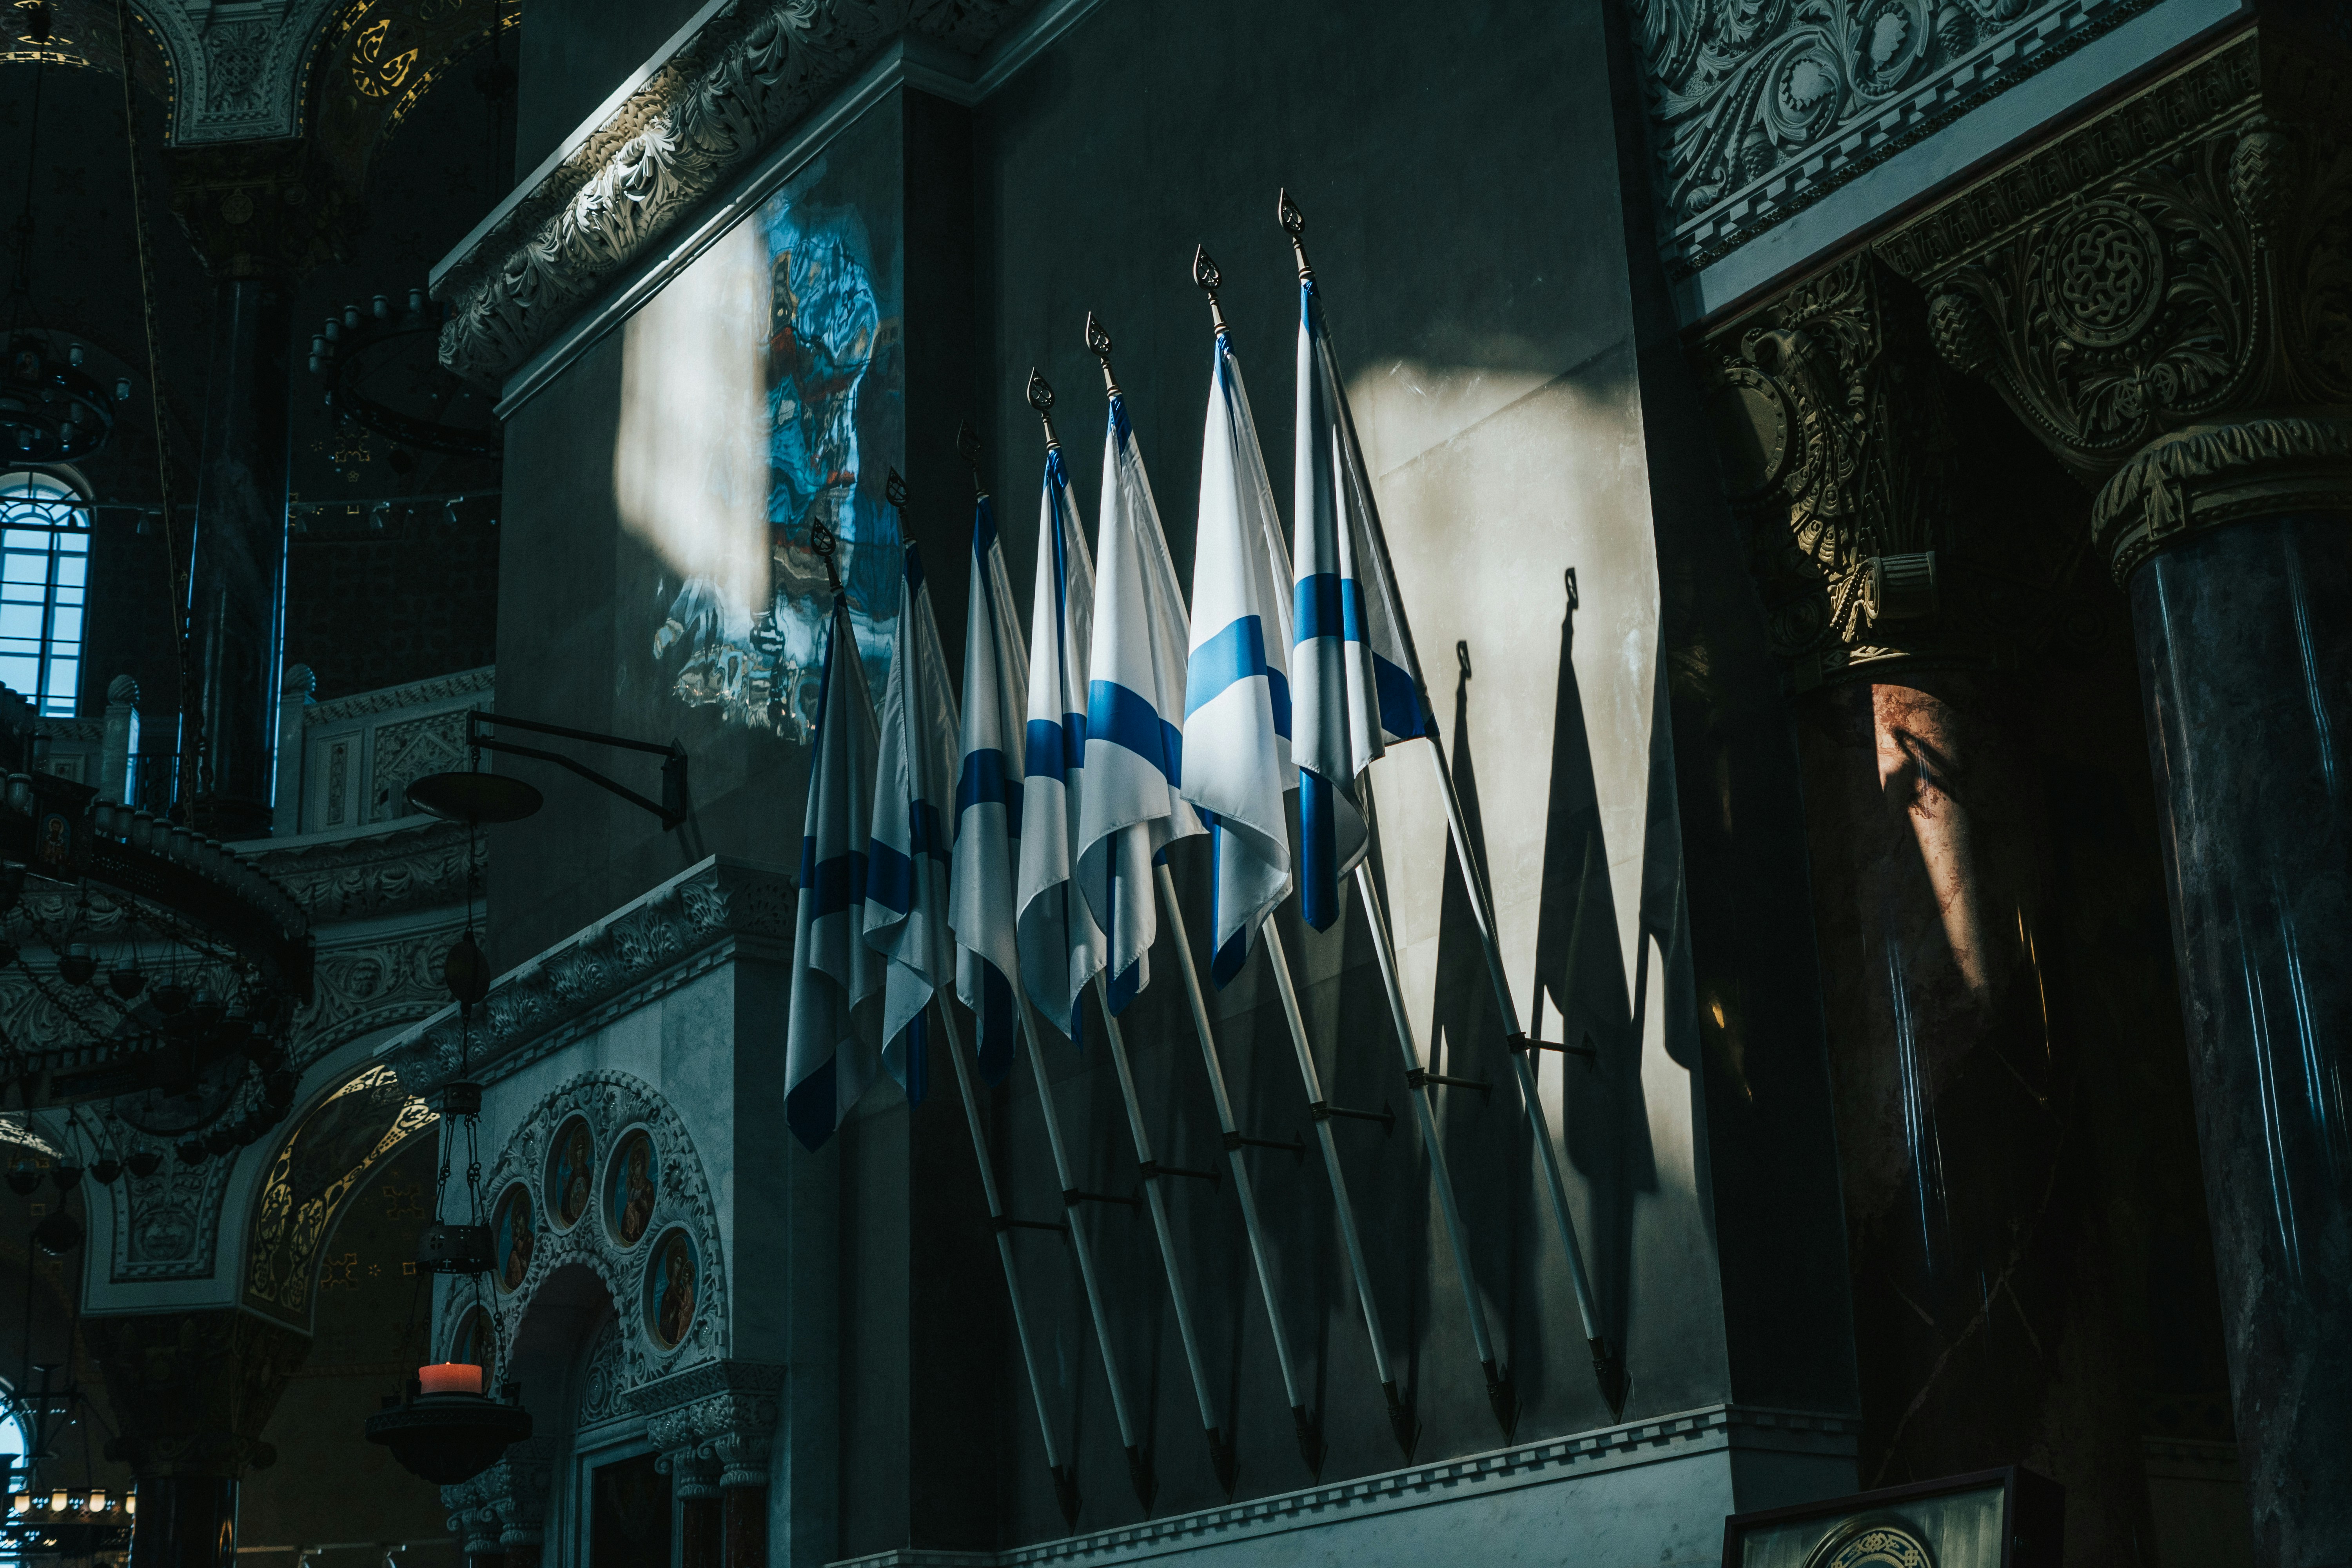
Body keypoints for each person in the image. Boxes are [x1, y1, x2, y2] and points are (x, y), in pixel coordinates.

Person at [657, 1239, 695, 1345]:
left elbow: (691, 1306)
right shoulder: (667, 1295)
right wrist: (669, 1320)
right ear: (672, 1263)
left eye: (681, 1264)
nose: (679, 1267)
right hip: (672, 1338)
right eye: (677, 1263)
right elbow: (662, 1326)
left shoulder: (683, 1290)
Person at [618, 1140, 655, 1244]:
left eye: (638, 1165)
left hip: (642, 1228)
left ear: (643, 1165)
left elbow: (652, 1210)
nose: (636, 1170)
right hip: (629, 1228)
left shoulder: (649, 1186)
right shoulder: (632, 1187)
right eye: (634, 1167)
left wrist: (646, 1208)